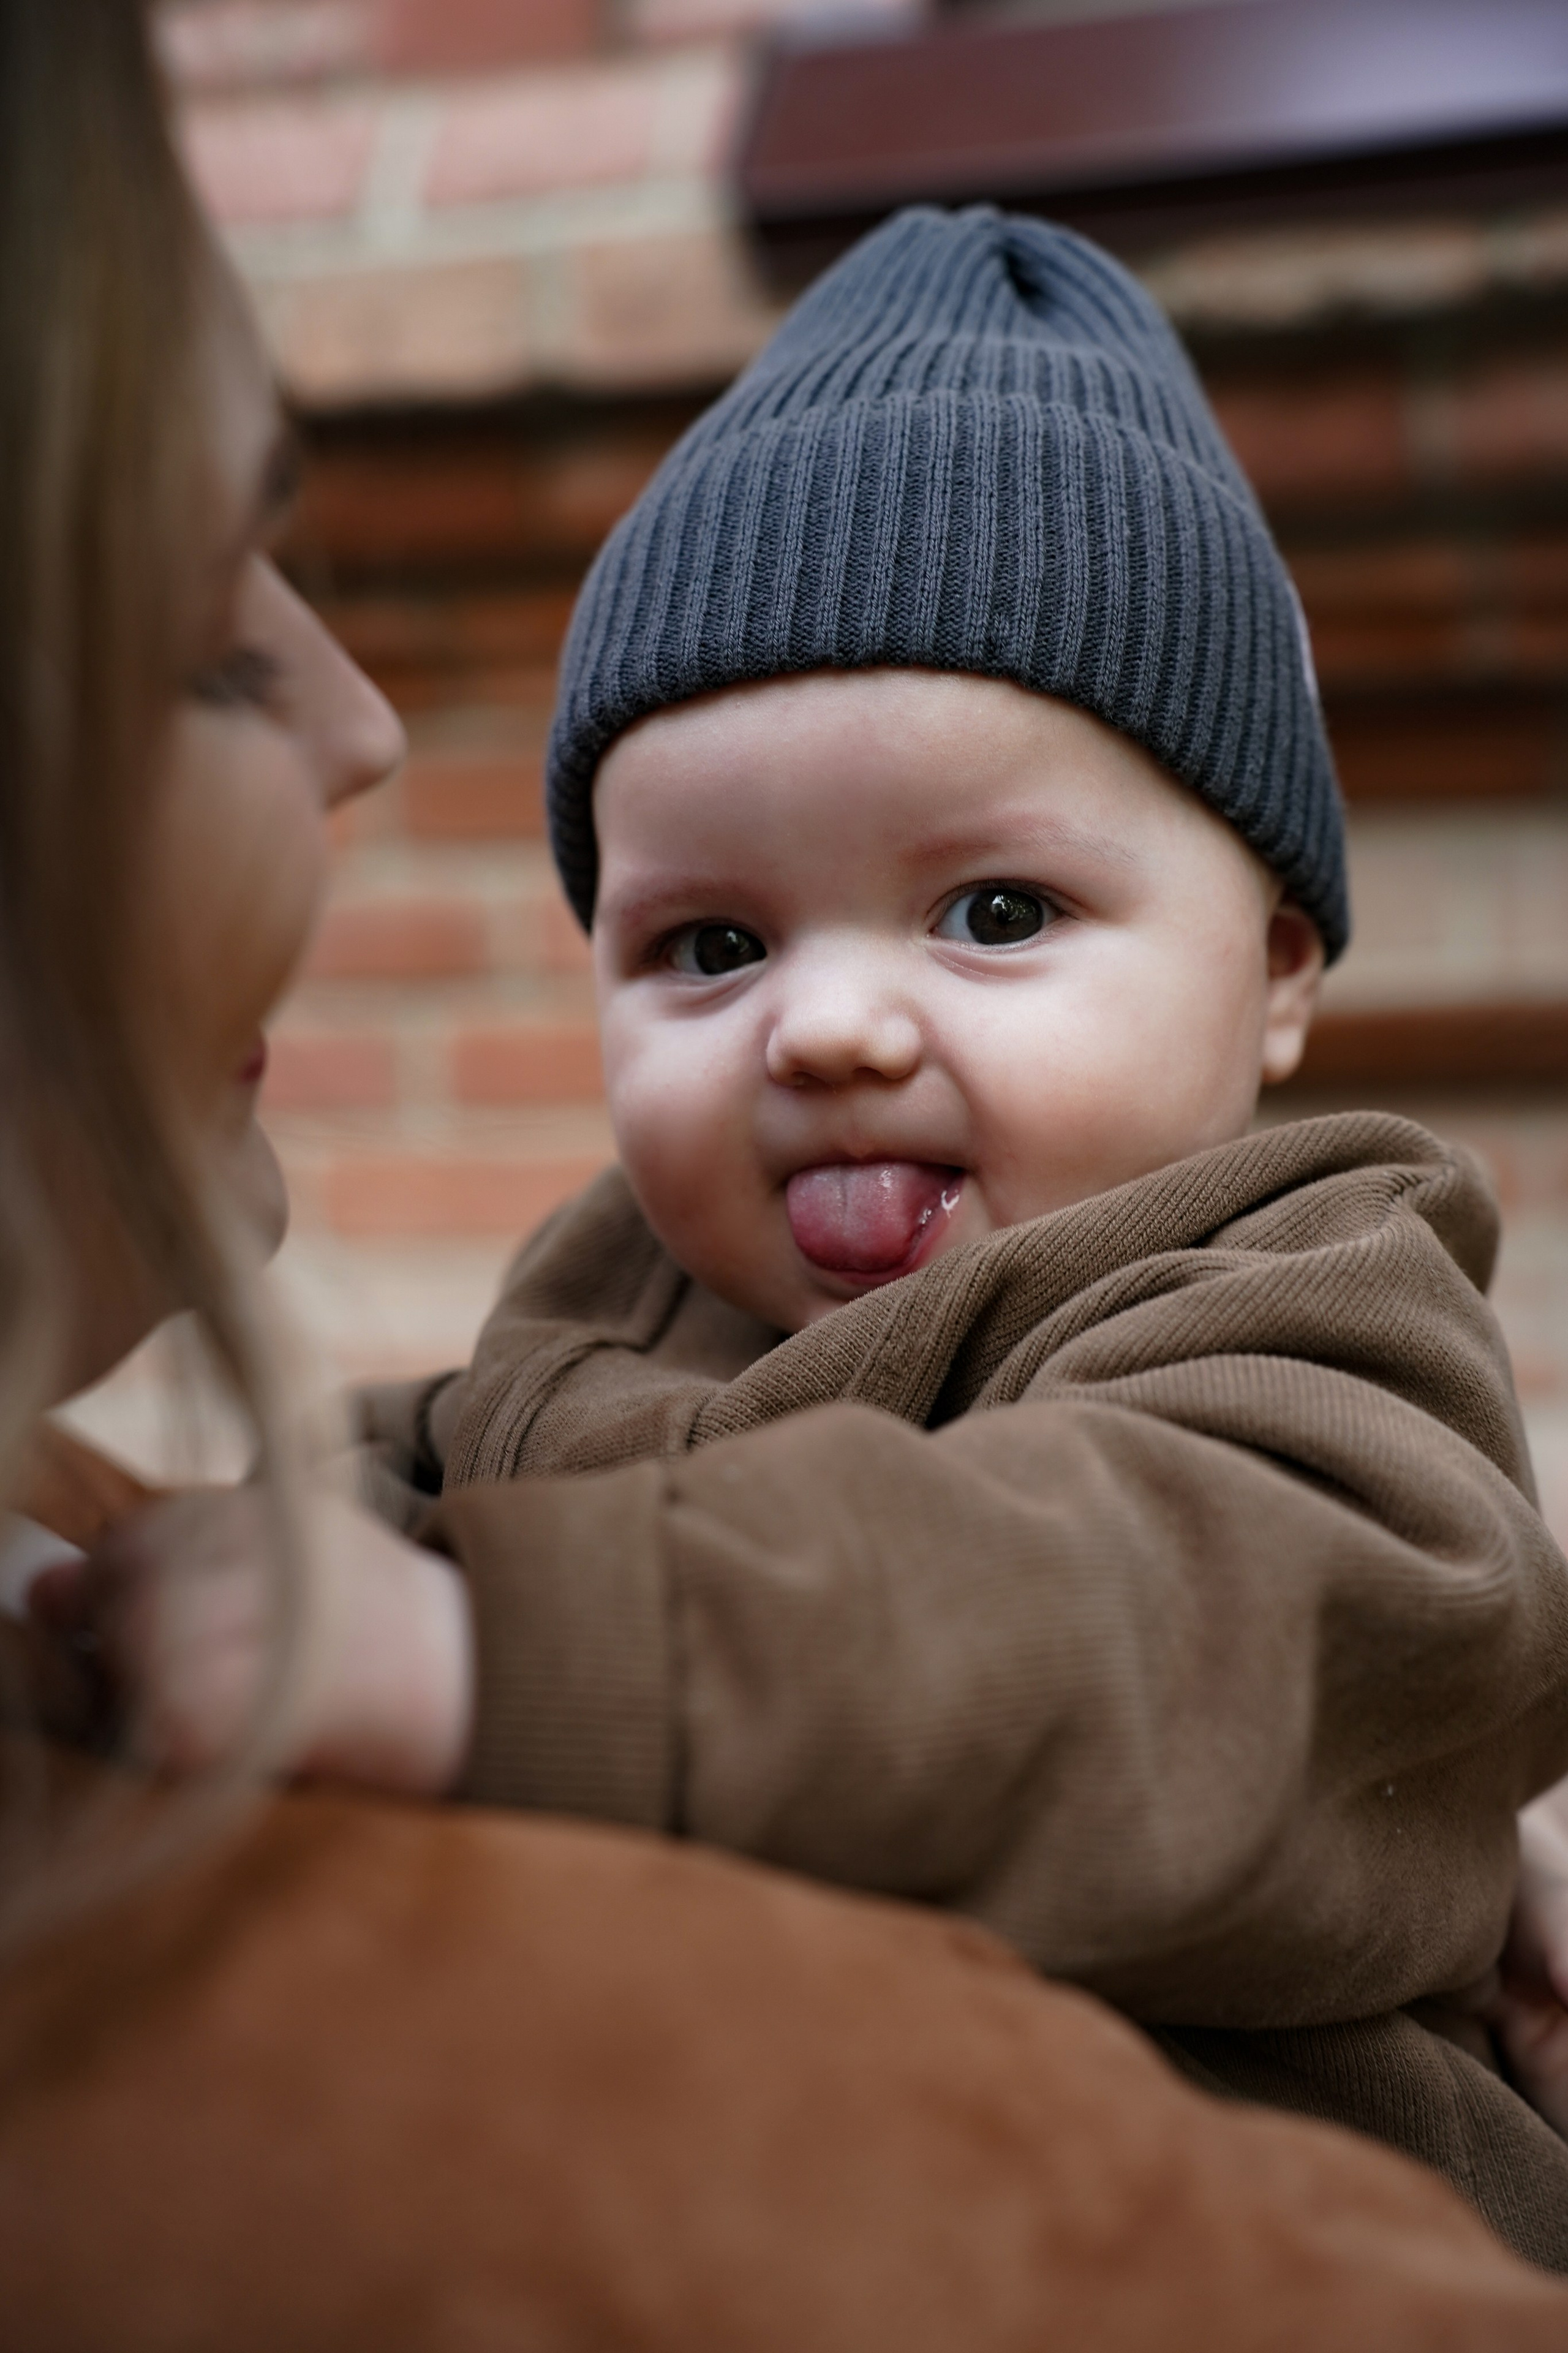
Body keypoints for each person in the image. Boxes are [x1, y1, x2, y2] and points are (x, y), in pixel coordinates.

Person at [31, 50, 1568, 2299]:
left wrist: (508, 1659)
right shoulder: (616, 1297)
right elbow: (399, 1492)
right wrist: (211, 1589)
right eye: (711, 944)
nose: (828, 1026)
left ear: (1277, 979)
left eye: (996, 912)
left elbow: (1137, 1613)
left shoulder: (1305, 1304)